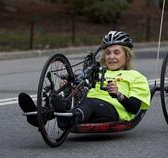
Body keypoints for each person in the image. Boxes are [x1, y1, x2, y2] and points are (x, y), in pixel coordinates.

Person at [18, 31, 151, 129]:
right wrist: (68, 88)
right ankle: (40, 117)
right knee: (74, 101)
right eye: (108, 53)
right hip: (87, 107)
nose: (111, 57)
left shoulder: (136, 76)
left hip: (114, 110)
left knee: (89, 103)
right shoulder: (95, 71)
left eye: (117, 52)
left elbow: (135, 108)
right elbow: (80, 92)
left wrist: (118, 94)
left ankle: (68, 118)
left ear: (126, 56)